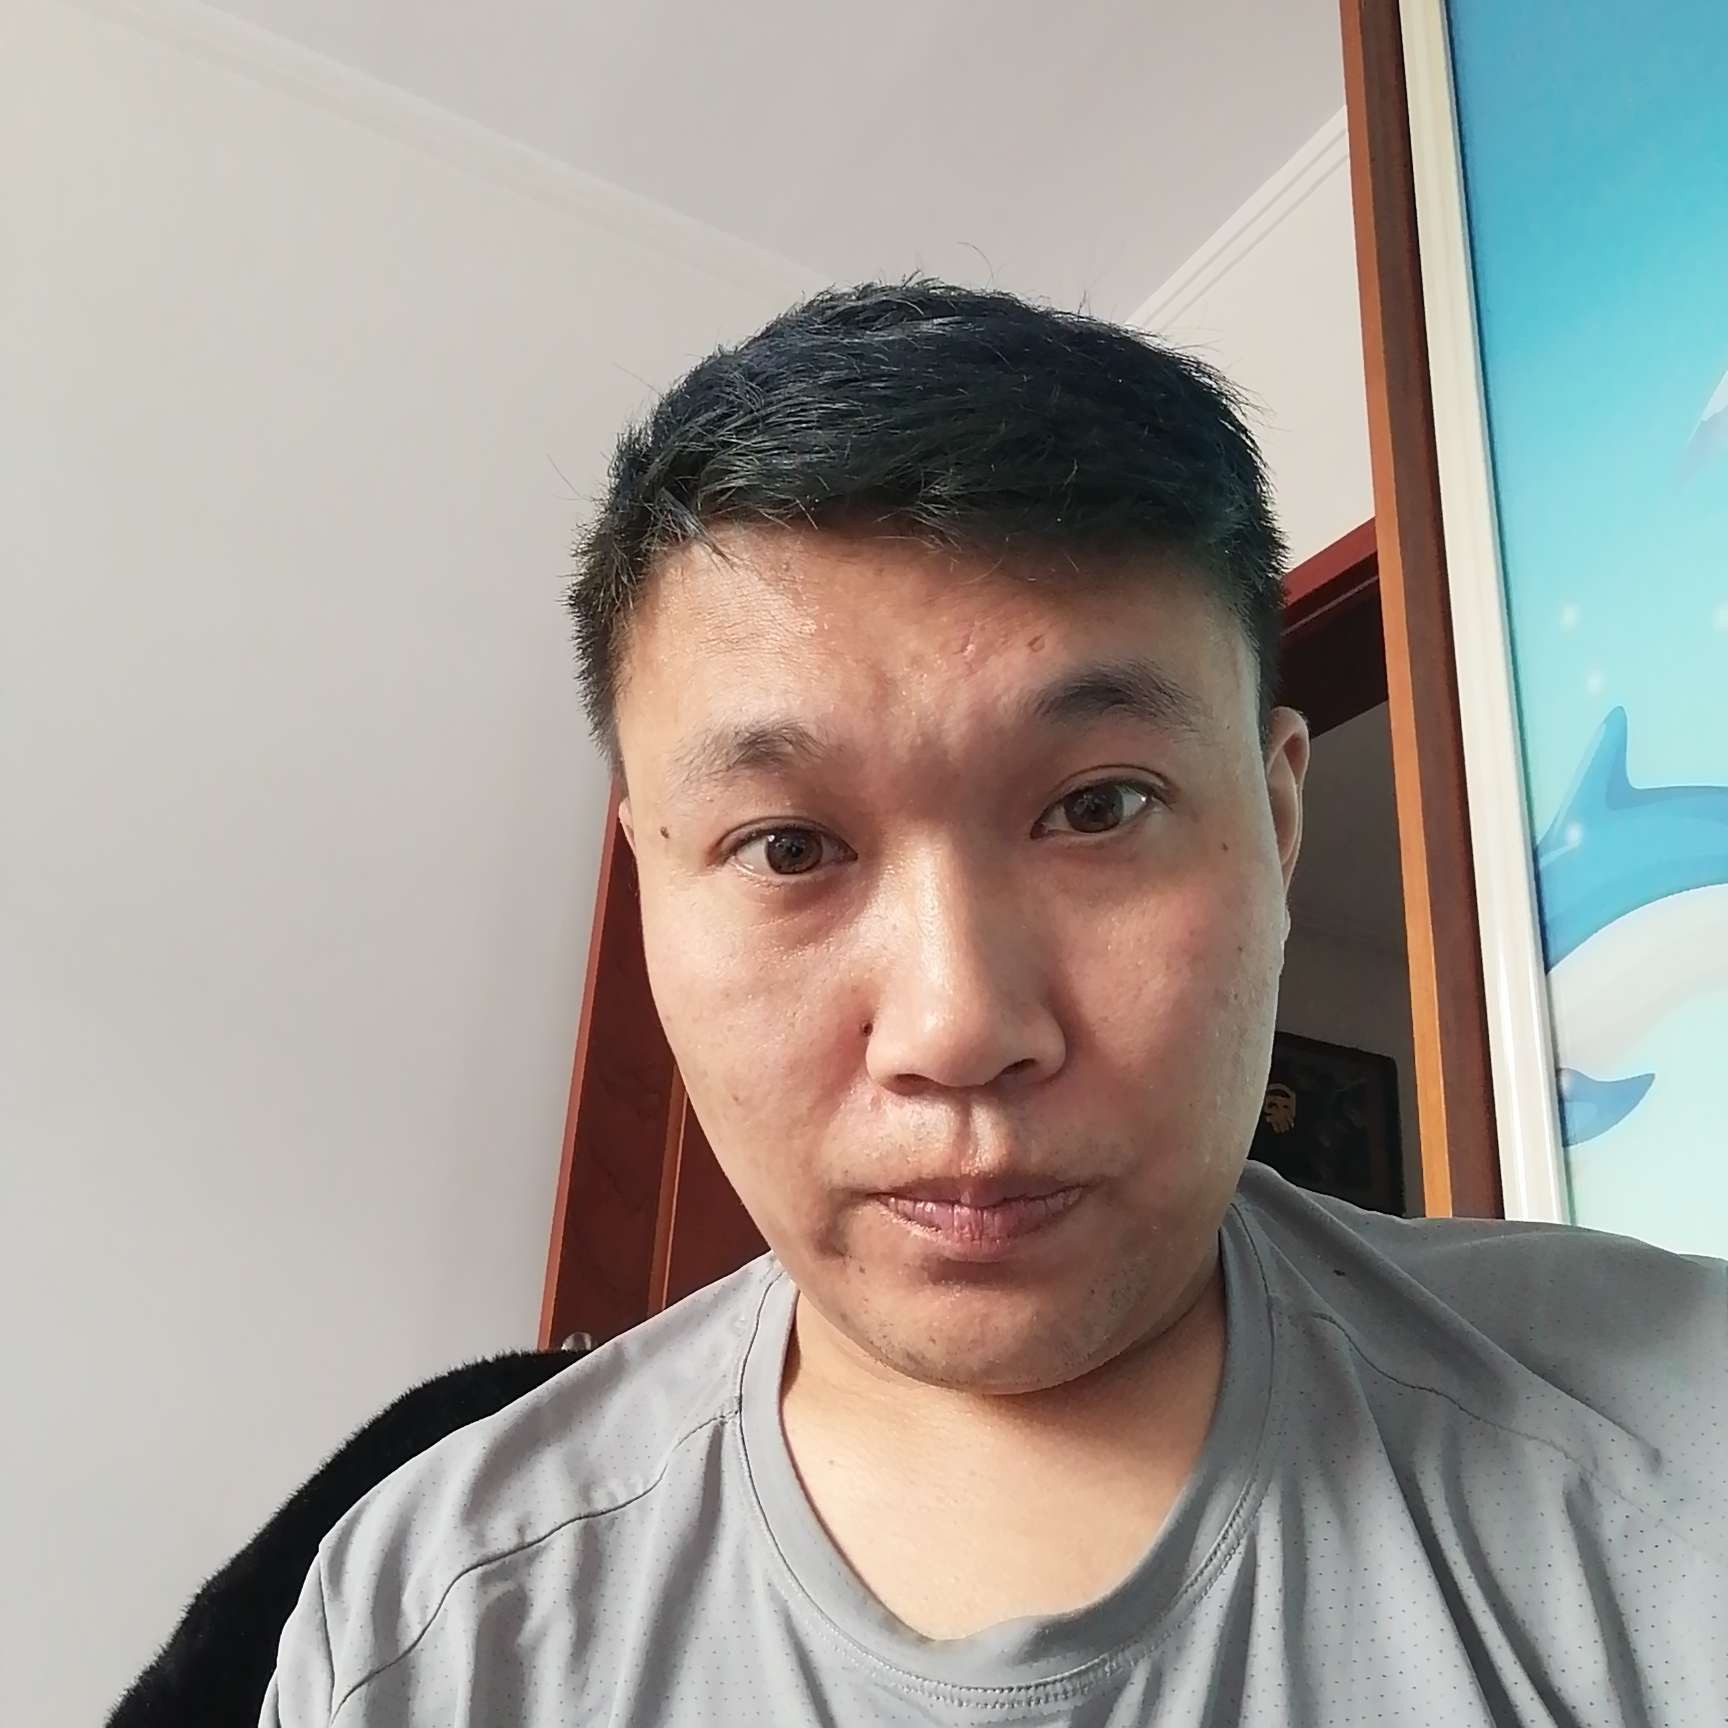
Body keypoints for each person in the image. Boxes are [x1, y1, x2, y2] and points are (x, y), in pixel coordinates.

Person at [262, 281, 1727, 1726]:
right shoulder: (431, 1633)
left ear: (1279, 821)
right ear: (652, 876)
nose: (958, 1029)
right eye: (789, 847)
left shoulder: (1676, 1450)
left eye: (1099, 806)